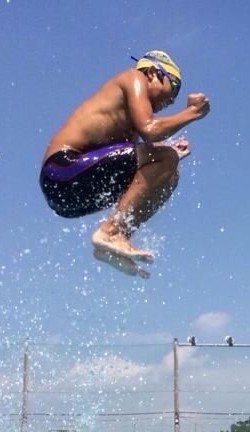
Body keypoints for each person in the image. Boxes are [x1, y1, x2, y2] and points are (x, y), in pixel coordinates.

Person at [39, 50, 210, 278]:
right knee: (166, 157)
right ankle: (111, 232)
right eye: (174, 87)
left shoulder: (128, 125)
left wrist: (168, 152)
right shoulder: (133, 78)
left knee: (169, 171)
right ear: (153, 72)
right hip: (61, 170)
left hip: (67, 198)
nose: (172, 100)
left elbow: (138, 161)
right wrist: (192, 112)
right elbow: (150, 129)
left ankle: (113, 239)